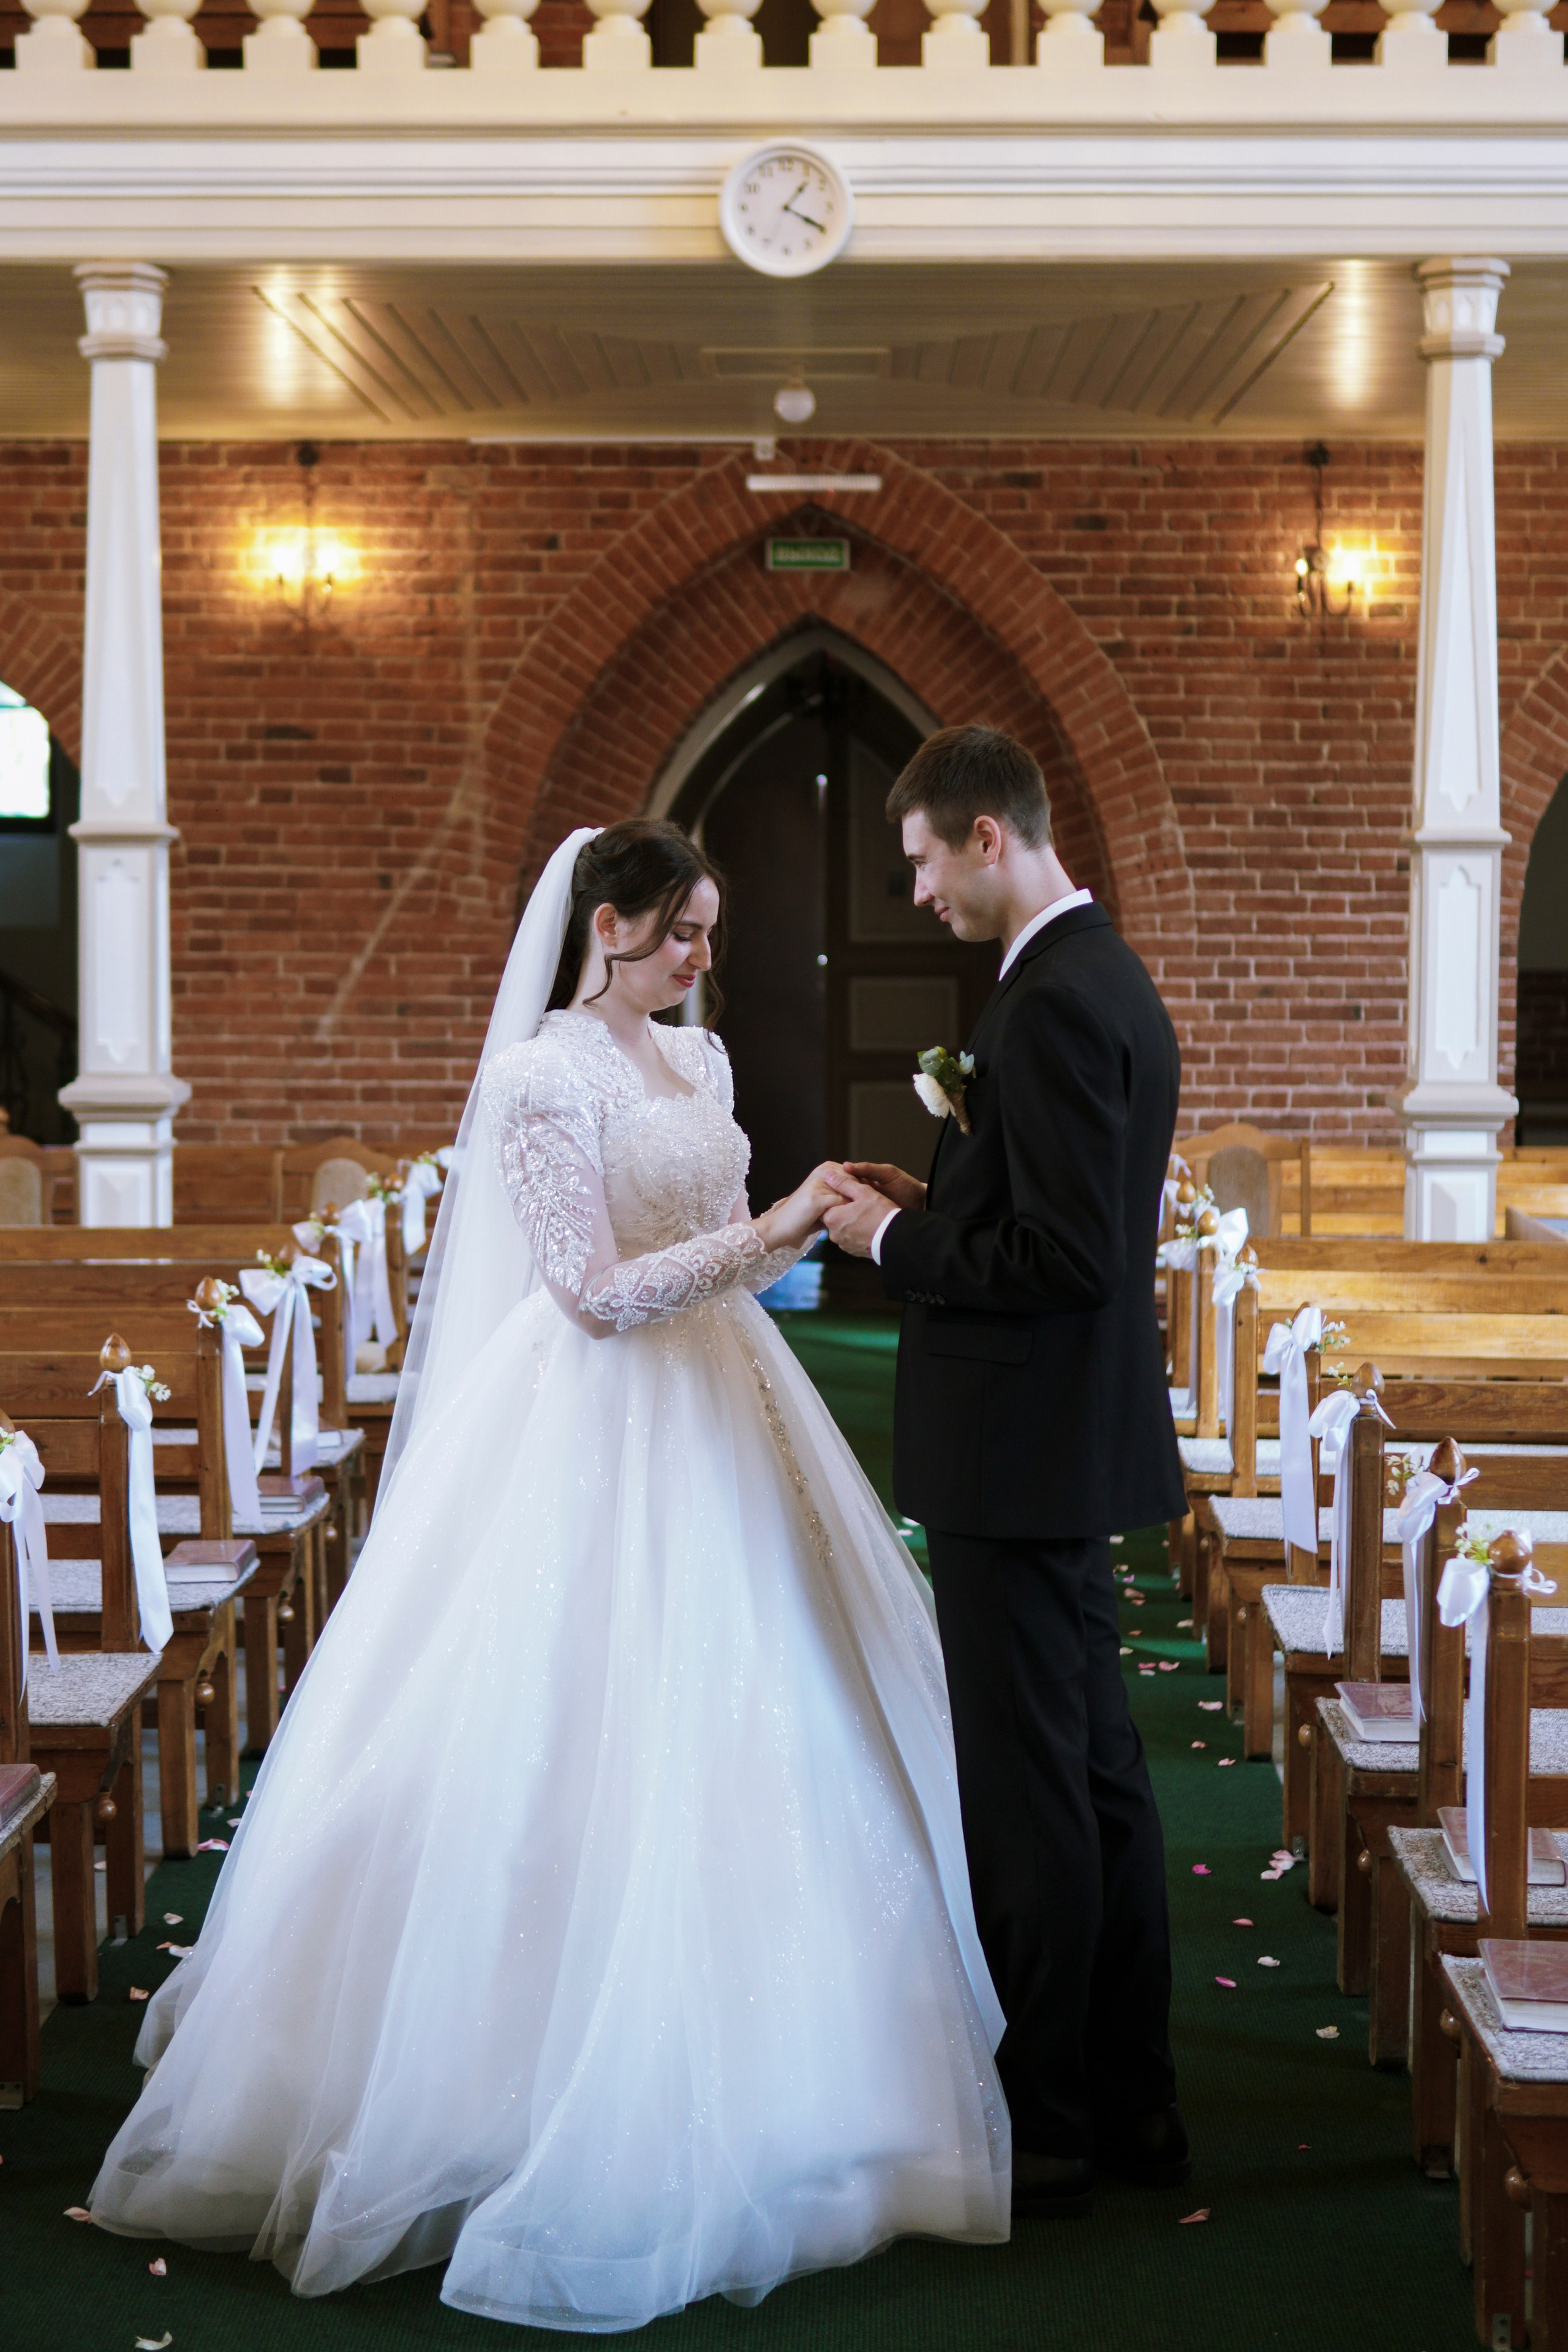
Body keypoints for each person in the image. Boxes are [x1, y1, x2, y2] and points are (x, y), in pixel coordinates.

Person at [90, 818, 1009, 2332]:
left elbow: (706, 1243)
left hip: (726, 1402)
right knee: (555, 1723)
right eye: (680, 937)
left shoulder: (700, 1066)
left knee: (786, 1704)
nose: (703, 961)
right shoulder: (534, 1080)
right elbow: (587, 1295)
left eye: (708, 934)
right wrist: (783, 1225)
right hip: (590, 1425)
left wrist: (784, 1222)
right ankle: (475, 2092)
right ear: (606, 929)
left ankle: (800, 2085)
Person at [823, 726, 1188, 2222]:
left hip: (1017, 1458)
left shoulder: (1046, 1003)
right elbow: (1053, 1209)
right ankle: (1126, 2107)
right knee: (1095, 1786)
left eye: (918, 859)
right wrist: (948, 1183)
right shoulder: (1089, 975)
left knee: (1031, 1802)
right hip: (1059, 1450)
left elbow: (1067, 1256)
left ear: (985, 835)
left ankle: (1047, 2121)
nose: (913, 891)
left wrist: (890, 1244)